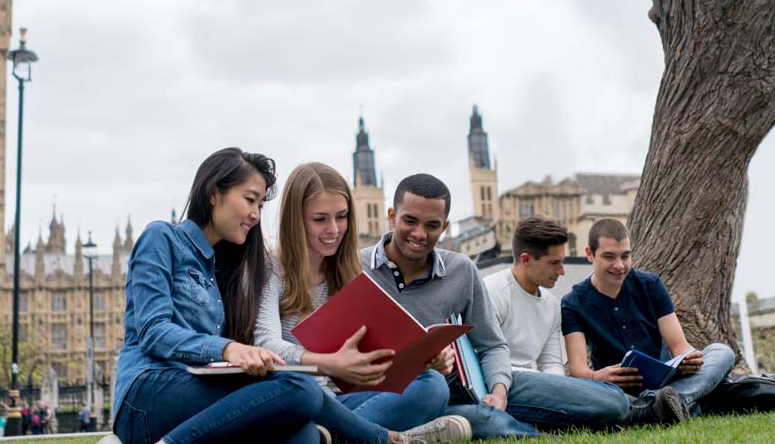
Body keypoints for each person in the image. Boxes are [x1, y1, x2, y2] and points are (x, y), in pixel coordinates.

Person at [359, 174, 630, 438]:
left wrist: (499, 389)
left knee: (611, 403)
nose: (419, 234)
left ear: (444, 227)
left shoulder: (461, 270)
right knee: (488, 422)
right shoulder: (356, 267)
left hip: (475, 383)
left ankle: (638, 408)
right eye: (410, 221)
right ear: (392, 216)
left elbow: (492, 345)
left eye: (431, 225)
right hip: (410, 393)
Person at [112, 148, 326, 444]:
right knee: (300, 387)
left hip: (196, 391)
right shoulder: (161, 237)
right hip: (146, 394)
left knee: (302, 430)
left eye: (261, 205)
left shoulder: (224, 270)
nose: (255, 214)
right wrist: (228, 349)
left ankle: (384, 438)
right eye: (250, 199)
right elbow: (153, 331)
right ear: (214, 194)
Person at [255, 162, 471, 443]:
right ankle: (388, 438)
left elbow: (369, 353)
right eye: (320, 219)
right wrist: (328, 363)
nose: (334, 229)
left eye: (342, 217)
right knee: (311, 398)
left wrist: (423, 358)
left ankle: (338, 436)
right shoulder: (271, 269)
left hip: (343, 402)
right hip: (300, 398)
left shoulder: (349, 270)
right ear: (296, 219)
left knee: (433, 386)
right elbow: (265, 342)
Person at [485, 217, 671, 426]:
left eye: (562, 262)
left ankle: (645, 408)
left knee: (610, 397)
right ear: (526, 259)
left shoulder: (550, 304)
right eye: (554, 263)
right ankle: (643, 411)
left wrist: (564, 393)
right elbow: (486, 355)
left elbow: (552, 364)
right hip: (505, 382)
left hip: (541, 387)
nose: (562, 271)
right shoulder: (492, 292)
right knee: (615, 399)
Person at [561, 218, 735, 421]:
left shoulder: (650, 285)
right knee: (606, 402)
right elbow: (578, 368)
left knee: (722, 352)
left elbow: (679, 346)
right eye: (609, 257)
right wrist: (597, 376)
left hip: (667, 381)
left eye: (625, 256)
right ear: (590, 254)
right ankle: (681, 403)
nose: (619, 265)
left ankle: (658, 405)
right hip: (618, 390)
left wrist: (689, 358)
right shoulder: (573, 303)